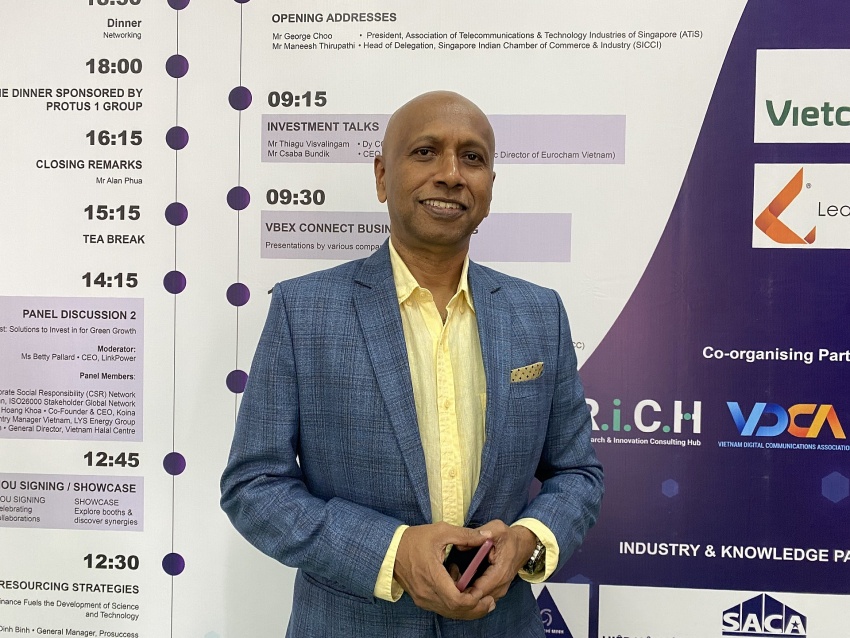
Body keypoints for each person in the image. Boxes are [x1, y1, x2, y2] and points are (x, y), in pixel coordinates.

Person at [220, 90, 603, 637]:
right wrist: (393, 552)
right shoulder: (302, 310)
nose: (450, 174)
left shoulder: (539, 313)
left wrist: (527, 541)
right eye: (425, 152)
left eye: (472, 157)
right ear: (382, 176)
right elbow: (254, 485)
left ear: (490, 185)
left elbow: (577, 472)